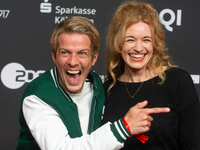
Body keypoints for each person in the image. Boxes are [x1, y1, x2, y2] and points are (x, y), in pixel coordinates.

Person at [17, 16, 170, 150]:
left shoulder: (97, 84)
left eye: (82, 53)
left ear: (94, 58)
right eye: (65, 52)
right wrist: (124, 128)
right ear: (54, 56)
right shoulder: (38, 95)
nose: (73, 62)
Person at [102, 1, 200, 150]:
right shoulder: (106, 90)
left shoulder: (177, 81)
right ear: (118, 42)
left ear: (155, 43)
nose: (139, 48)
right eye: (130, 40)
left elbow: (192, 145)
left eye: (146, 40)